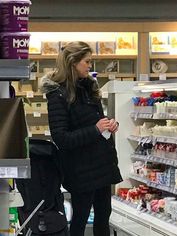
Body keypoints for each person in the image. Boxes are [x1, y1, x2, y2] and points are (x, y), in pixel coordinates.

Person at [40, 41, 123, 236]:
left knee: (103, 218)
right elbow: (61, 138)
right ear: (72, 62)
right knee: (80, 219)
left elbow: (95, 121)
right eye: (87, 61)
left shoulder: (88, 88)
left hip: (102, 165)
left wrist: (109, 125)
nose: (89, 66)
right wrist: (95, 129)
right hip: (80, 170)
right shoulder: (57, 94)